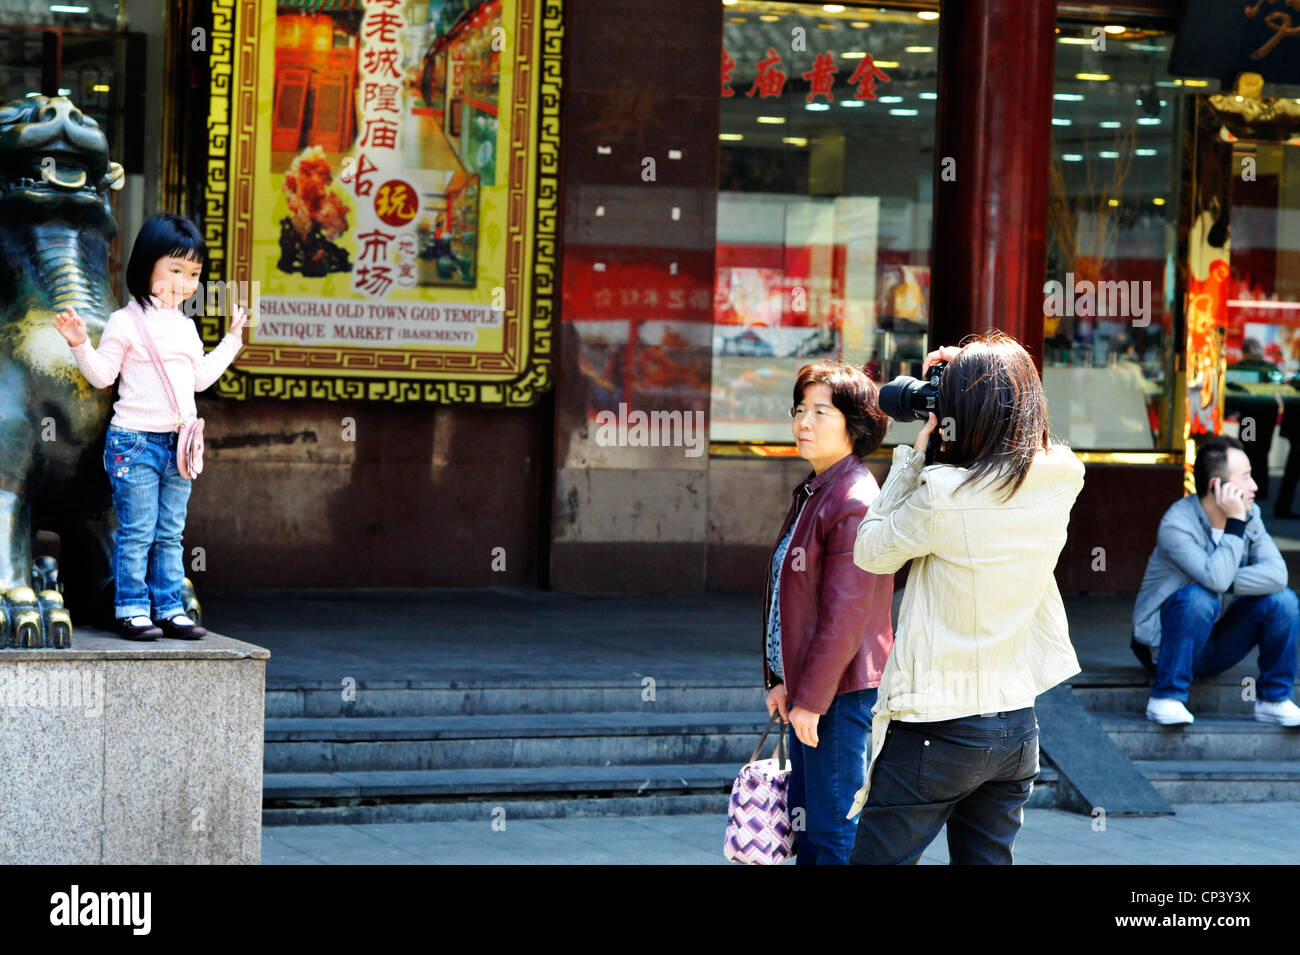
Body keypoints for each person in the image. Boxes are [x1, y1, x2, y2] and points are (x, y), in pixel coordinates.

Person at [846, 331, 1086, 866]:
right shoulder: (1062, 478)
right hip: (1016, 727)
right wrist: (987, 376)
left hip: (938, 728)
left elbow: (870, 549)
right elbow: (1034, 441)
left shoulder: (944, 496)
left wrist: (914, 457)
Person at [51, 213, 247, 641]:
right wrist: (80, 342)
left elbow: (198, 380)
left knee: (170, 532)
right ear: (147, 266)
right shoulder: (126, 321)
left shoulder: (186, 326)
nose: (184, 282)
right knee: (137, 531)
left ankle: (170, 608)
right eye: (174, 269)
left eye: (193, 273)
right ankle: (131, 608)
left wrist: (231, 341)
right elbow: (103, 375)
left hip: (179, 446)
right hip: (134, 444)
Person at [763, 359, 894, 865]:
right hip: (817, 688)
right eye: (799, 409)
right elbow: (791, 603)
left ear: (855, 424)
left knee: (834, 826)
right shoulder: (819, 488)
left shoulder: (853, 498)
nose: (803, 422)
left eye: (821, 411)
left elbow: (845, 615)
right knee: (809, 823)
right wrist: (781, 678)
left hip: (839, 692)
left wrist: (811, 699)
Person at [1131, 436, 1300, 726]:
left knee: (1283, 600)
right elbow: (1215, 581)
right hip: (1160, 646)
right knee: (1200, 596)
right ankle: (1166, 698)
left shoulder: (1252, 515)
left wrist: (1224, 579)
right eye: (1246, 477)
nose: (1255, 487)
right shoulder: (1177, 524)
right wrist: (1234, 526)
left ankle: (1274, 699)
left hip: (1214, 644)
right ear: (1217, 486)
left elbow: (1276, 574)